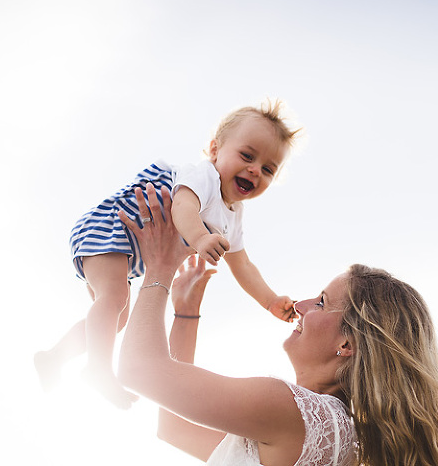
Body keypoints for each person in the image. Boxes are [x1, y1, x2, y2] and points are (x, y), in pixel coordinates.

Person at [117, 184, 438, 465]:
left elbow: (137, 371)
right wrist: (186, 314)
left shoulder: (289, 410)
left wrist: (159, 267)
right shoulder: (333, 432)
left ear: (347, 344)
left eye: (321, 302)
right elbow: (175, 428)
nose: (299, 306)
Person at [34, 100, 300, 409]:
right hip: (112, 226)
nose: (255, 170)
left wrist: (269, 300)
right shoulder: (204, 177)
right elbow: (183, 206)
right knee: (114, 300)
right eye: (247, 155)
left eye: (268, 169)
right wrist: (200, 237)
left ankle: (54, 357)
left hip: (127, 250)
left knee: (116, 319)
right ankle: (98, 368)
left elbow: (243, 265)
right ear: (215, 150)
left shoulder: (233, 216)